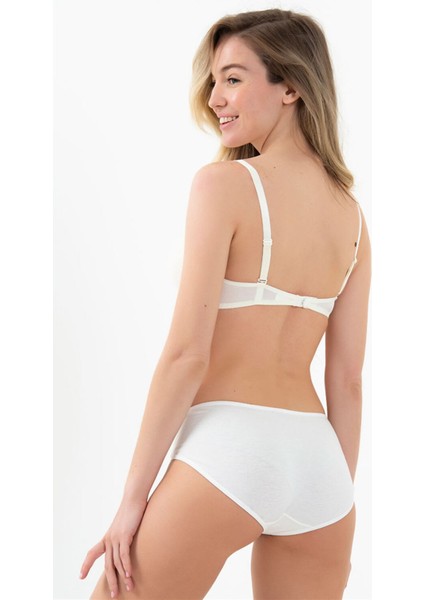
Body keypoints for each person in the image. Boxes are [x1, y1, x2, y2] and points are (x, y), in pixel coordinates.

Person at [80, 8, 371, 599]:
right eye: (214, 81)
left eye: (233, 79)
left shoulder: (224, 186)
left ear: (291, 86)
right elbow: (347, 380)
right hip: (321, 465)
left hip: (232, 448)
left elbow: (186, 355)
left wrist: (132, 501)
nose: (215, 98)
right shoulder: (354, 218)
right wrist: (333, 495)